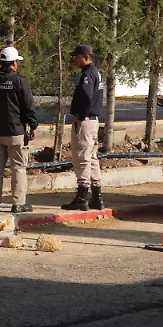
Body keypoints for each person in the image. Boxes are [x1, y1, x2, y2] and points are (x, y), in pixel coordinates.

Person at [0, 46, 39, 213]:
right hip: (15, 132)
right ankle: (18, 203)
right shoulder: (20, 81)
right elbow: (28, 105)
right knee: (18, 167)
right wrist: (33, 125)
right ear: (14, 63)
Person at [62, 44, 105, 211]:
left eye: (77, 57)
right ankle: (97, 196)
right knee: (92, 158)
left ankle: (82, 197)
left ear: (86, 57)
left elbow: (86, 96)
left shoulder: (87, 74)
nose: (75, 60)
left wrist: (80, 114)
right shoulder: (96, 72)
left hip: (85, 122)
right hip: (93, 121)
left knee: (81, 158)